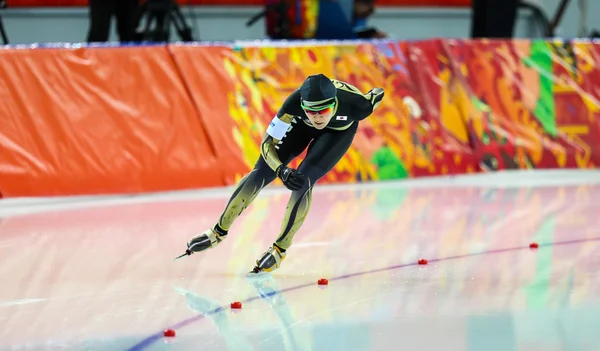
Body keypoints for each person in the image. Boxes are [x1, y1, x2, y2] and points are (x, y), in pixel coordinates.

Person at [176, 74, 385, 275]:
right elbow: (267, 144)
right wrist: (280, 170)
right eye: (311, 111)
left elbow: (377, 93)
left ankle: (279, 249)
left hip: (338, 133)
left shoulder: (358, 106)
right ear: (302, 106)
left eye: (325, 109)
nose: (318, 117)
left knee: (303, 180)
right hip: (301, 128)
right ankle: (218, 231)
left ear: (335, 104)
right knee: (260, 172)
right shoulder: (293, 103)